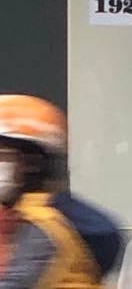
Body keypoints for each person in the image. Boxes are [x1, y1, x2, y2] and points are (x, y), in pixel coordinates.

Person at [0, 95, 122, 287]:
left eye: (2, 155)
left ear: (32, 163)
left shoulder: (44, 222)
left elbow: (16, 283)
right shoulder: (34, 213)